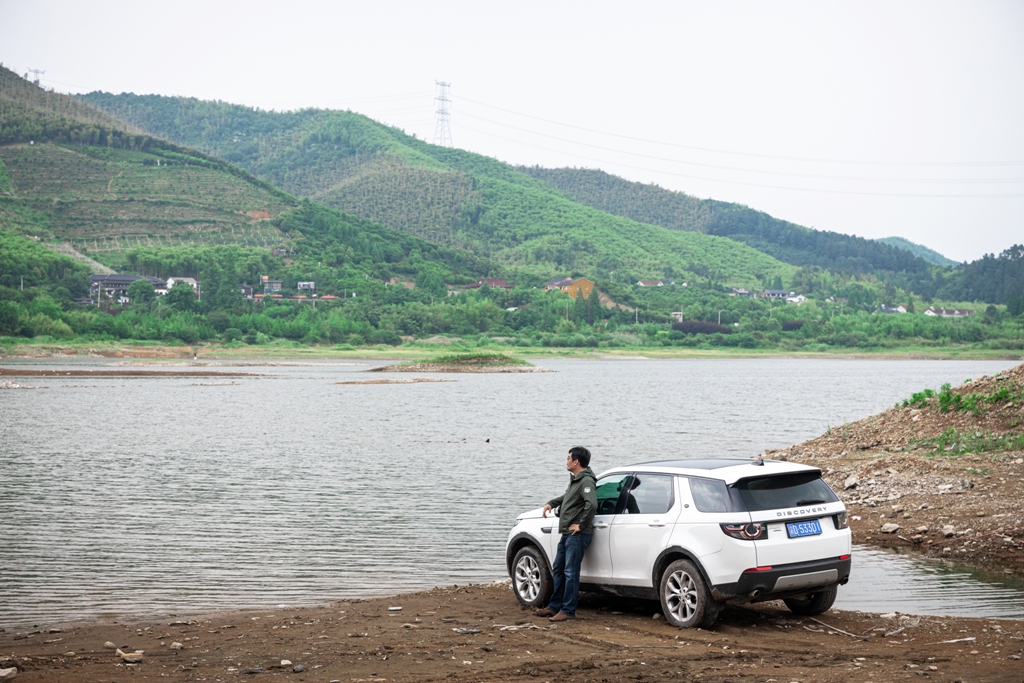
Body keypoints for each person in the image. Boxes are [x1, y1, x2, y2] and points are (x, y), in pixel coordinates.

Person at [536, 446, 597, 622]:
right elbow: (567, 497)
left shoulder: (586, 481)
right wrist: (551, 503)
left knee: (571, 572)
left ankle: (568, 610)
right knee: (559, 569)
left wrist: (582, 524)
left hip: (577, 535)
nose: (567, 460)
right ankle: (554, 607)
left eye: (568, 458)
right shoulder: (576, 480)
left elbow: (591, 504)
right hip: (567, 533)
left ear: (576, 461)